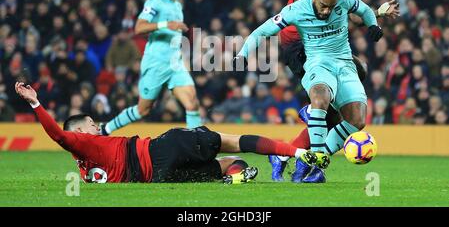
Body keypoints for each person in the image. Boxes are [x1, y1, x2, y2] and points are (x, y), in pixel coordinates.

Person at [270, 0, 400, 182]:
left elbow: (355, 14)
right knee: (337, 99)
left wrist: (376, 14)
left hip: (327, 50)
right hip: (300, 45)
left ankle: (288, 156)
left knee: (336, 115)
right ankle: (310, 123)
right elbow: (304, 8)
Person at [15, 81, 317, 184]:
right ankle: (295, 152)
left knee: (219, 166)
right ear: (80, 131)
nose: (97, 127)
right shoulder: (84, 142)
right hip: (162, 149)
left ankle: (235, 177)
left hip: (159, 176)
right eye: (92, 124)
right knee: (233, 141)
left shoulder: (85, 173)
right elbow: (57, 135)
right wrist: (36, 103)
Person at [235, 0, 385, 183]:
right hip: (318, 65)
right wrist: (243, 54)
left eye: (331, 7)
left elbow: (366, 11)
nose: (326, 12)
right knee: (321, 97)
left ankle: (310, 153)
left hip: (344, 64)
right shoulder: (296, 10)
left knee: (357, 121)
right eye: (323, 6)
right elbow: (263, 31)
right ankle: (317, 161)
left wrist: (373, 25)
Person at [101, 0, 202, 135]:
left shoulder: (177, 5)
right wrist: (165, 24)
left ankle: (199, 145)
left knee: (192, 103)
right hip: (156, 63)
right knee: (143, 110)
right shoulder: (154, 2)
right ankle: (106, 129)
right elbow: (139, 27)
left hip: (175, 64)